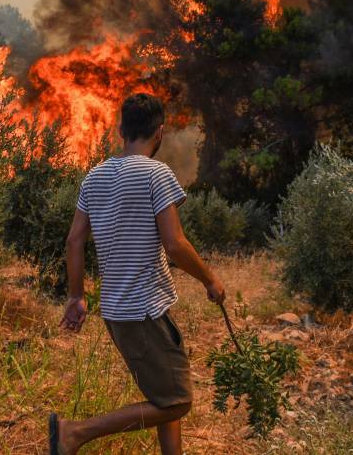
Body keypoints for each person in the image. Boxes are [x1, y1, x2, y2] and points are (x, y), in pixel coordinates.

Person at [49, 93, 226, 455]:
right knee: (178, 402)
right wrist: (210, 279)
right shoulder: (156, 173)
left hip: (117, 312)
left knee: (165, 392)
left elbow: (73, 241)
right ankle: (75, 433)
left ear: (120, 130)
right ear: (159, 132)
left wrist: (76, 296)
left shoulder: (94, 176)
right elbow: (175, 244)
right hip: (144, 310)